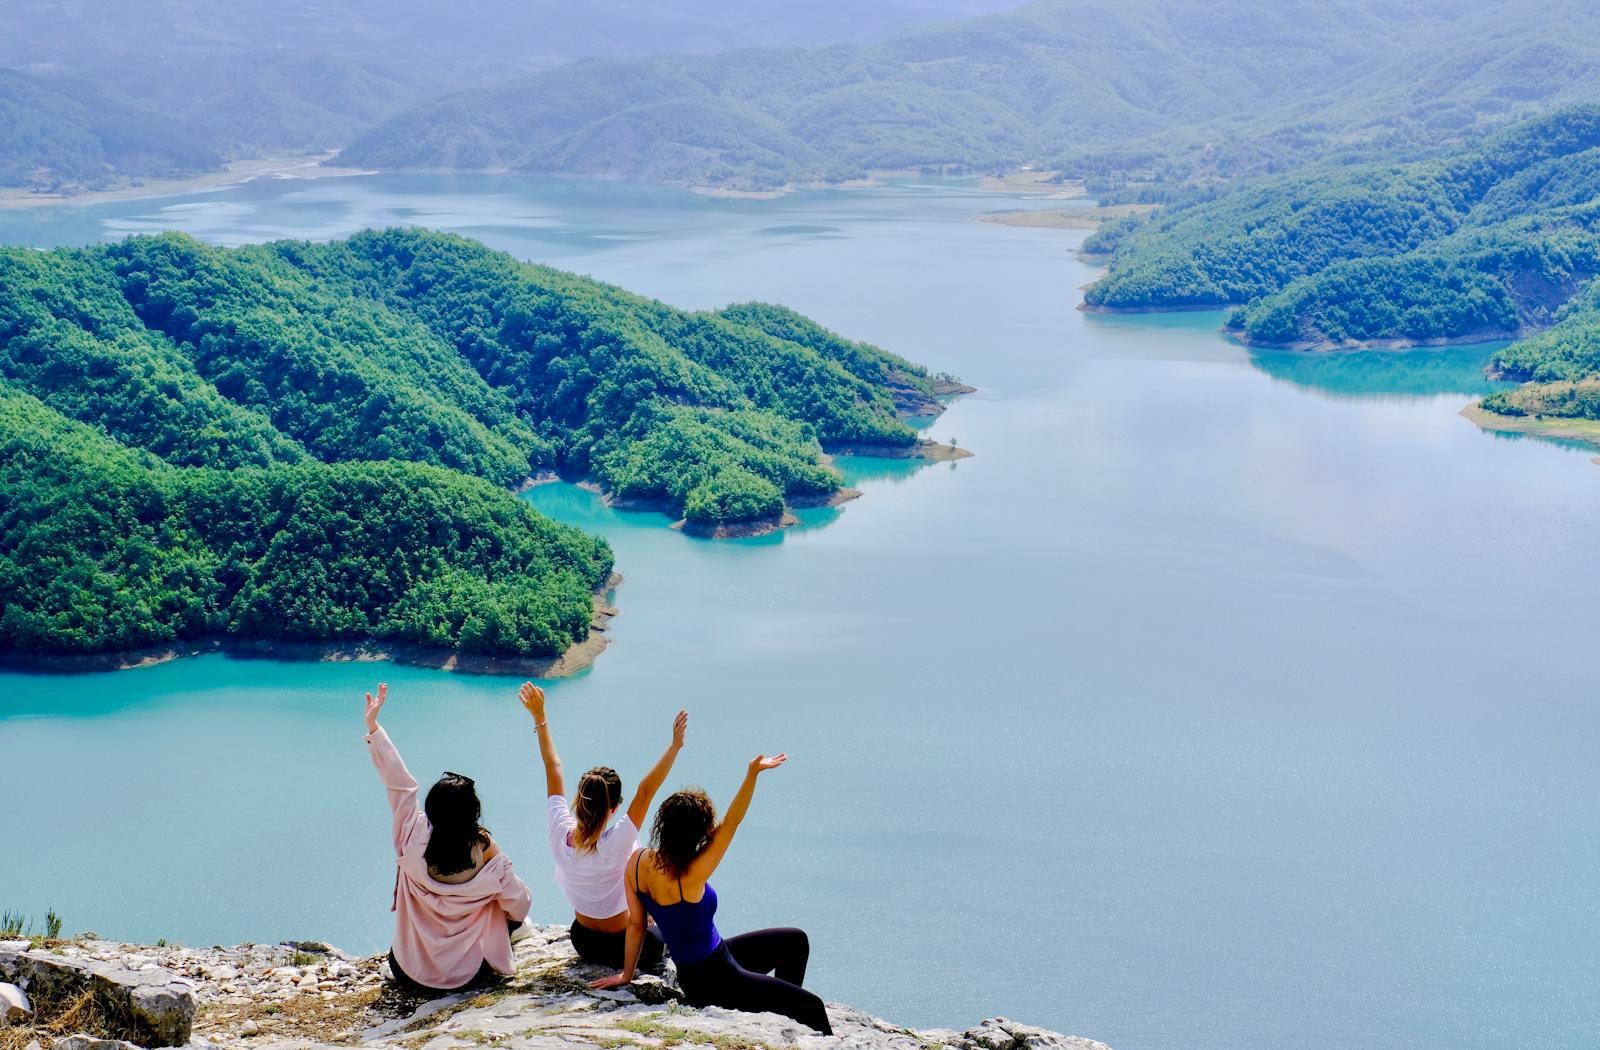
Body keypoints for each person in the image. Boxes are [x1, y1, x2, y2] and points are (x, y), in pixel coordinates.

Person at [592, 753, 832, 1035]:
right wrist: (751, 775)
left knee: (794, 941)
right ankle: (793, 1014)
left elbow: (636, 925)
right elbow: (732, 822)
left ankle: (785, 1022)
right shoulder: (693, 874)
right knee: (813, 1007)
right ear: (695, 836)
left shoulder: (636, 863)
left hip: (703, 968)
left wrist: (626, 974)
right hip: (720, 981)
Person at [364, 682, 532, 995]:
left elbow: (398, 784)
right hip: (466, 976)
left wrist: (374, 727)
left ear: (431, 809)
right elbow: (520, 906)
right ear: (473, 813)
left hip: (408, 971)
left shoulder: (411, 834)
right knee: (502, 902)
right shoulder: (485, 851)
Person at [520, 681, 684, 970]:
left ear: (578, 802)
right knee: (665, 912)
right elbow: (646, 790)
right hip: (627, 945)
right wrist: (675, 746)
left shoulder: (560, 829)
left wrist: (539, 716)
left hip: (583, 941)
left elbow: (553, 766)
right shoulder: (617, 842)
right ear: (614, 807)